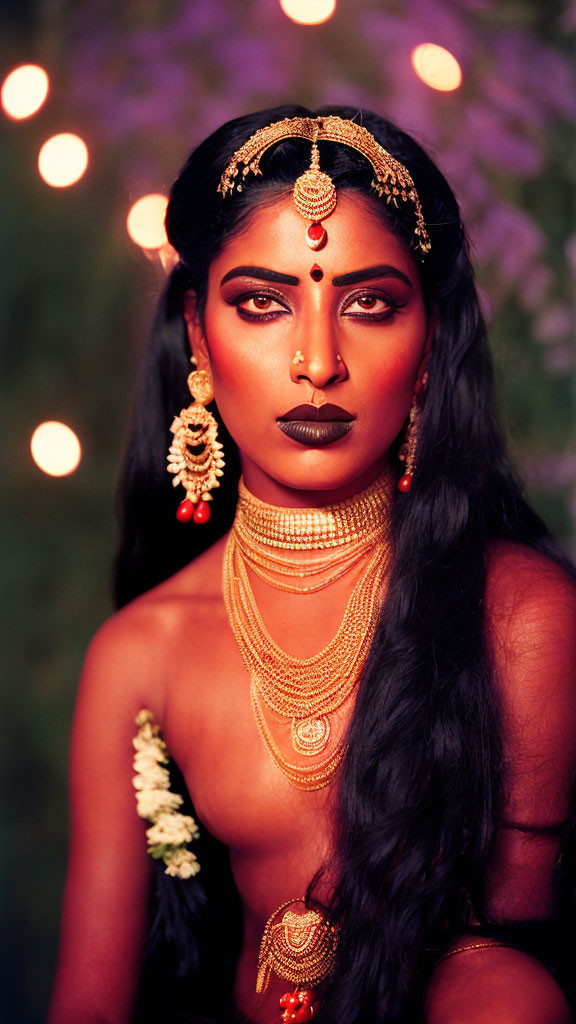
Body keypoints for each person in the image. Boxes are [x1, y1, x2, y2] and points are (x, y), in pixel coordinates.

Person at [48, 104, 576, 1024]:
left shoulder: (520, 616)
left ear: (425, 352)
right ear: (200, 336)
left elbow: (520, 960)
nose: (318, 361)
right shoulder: (141, 654)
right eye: (262, 302)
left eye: (369, 303)